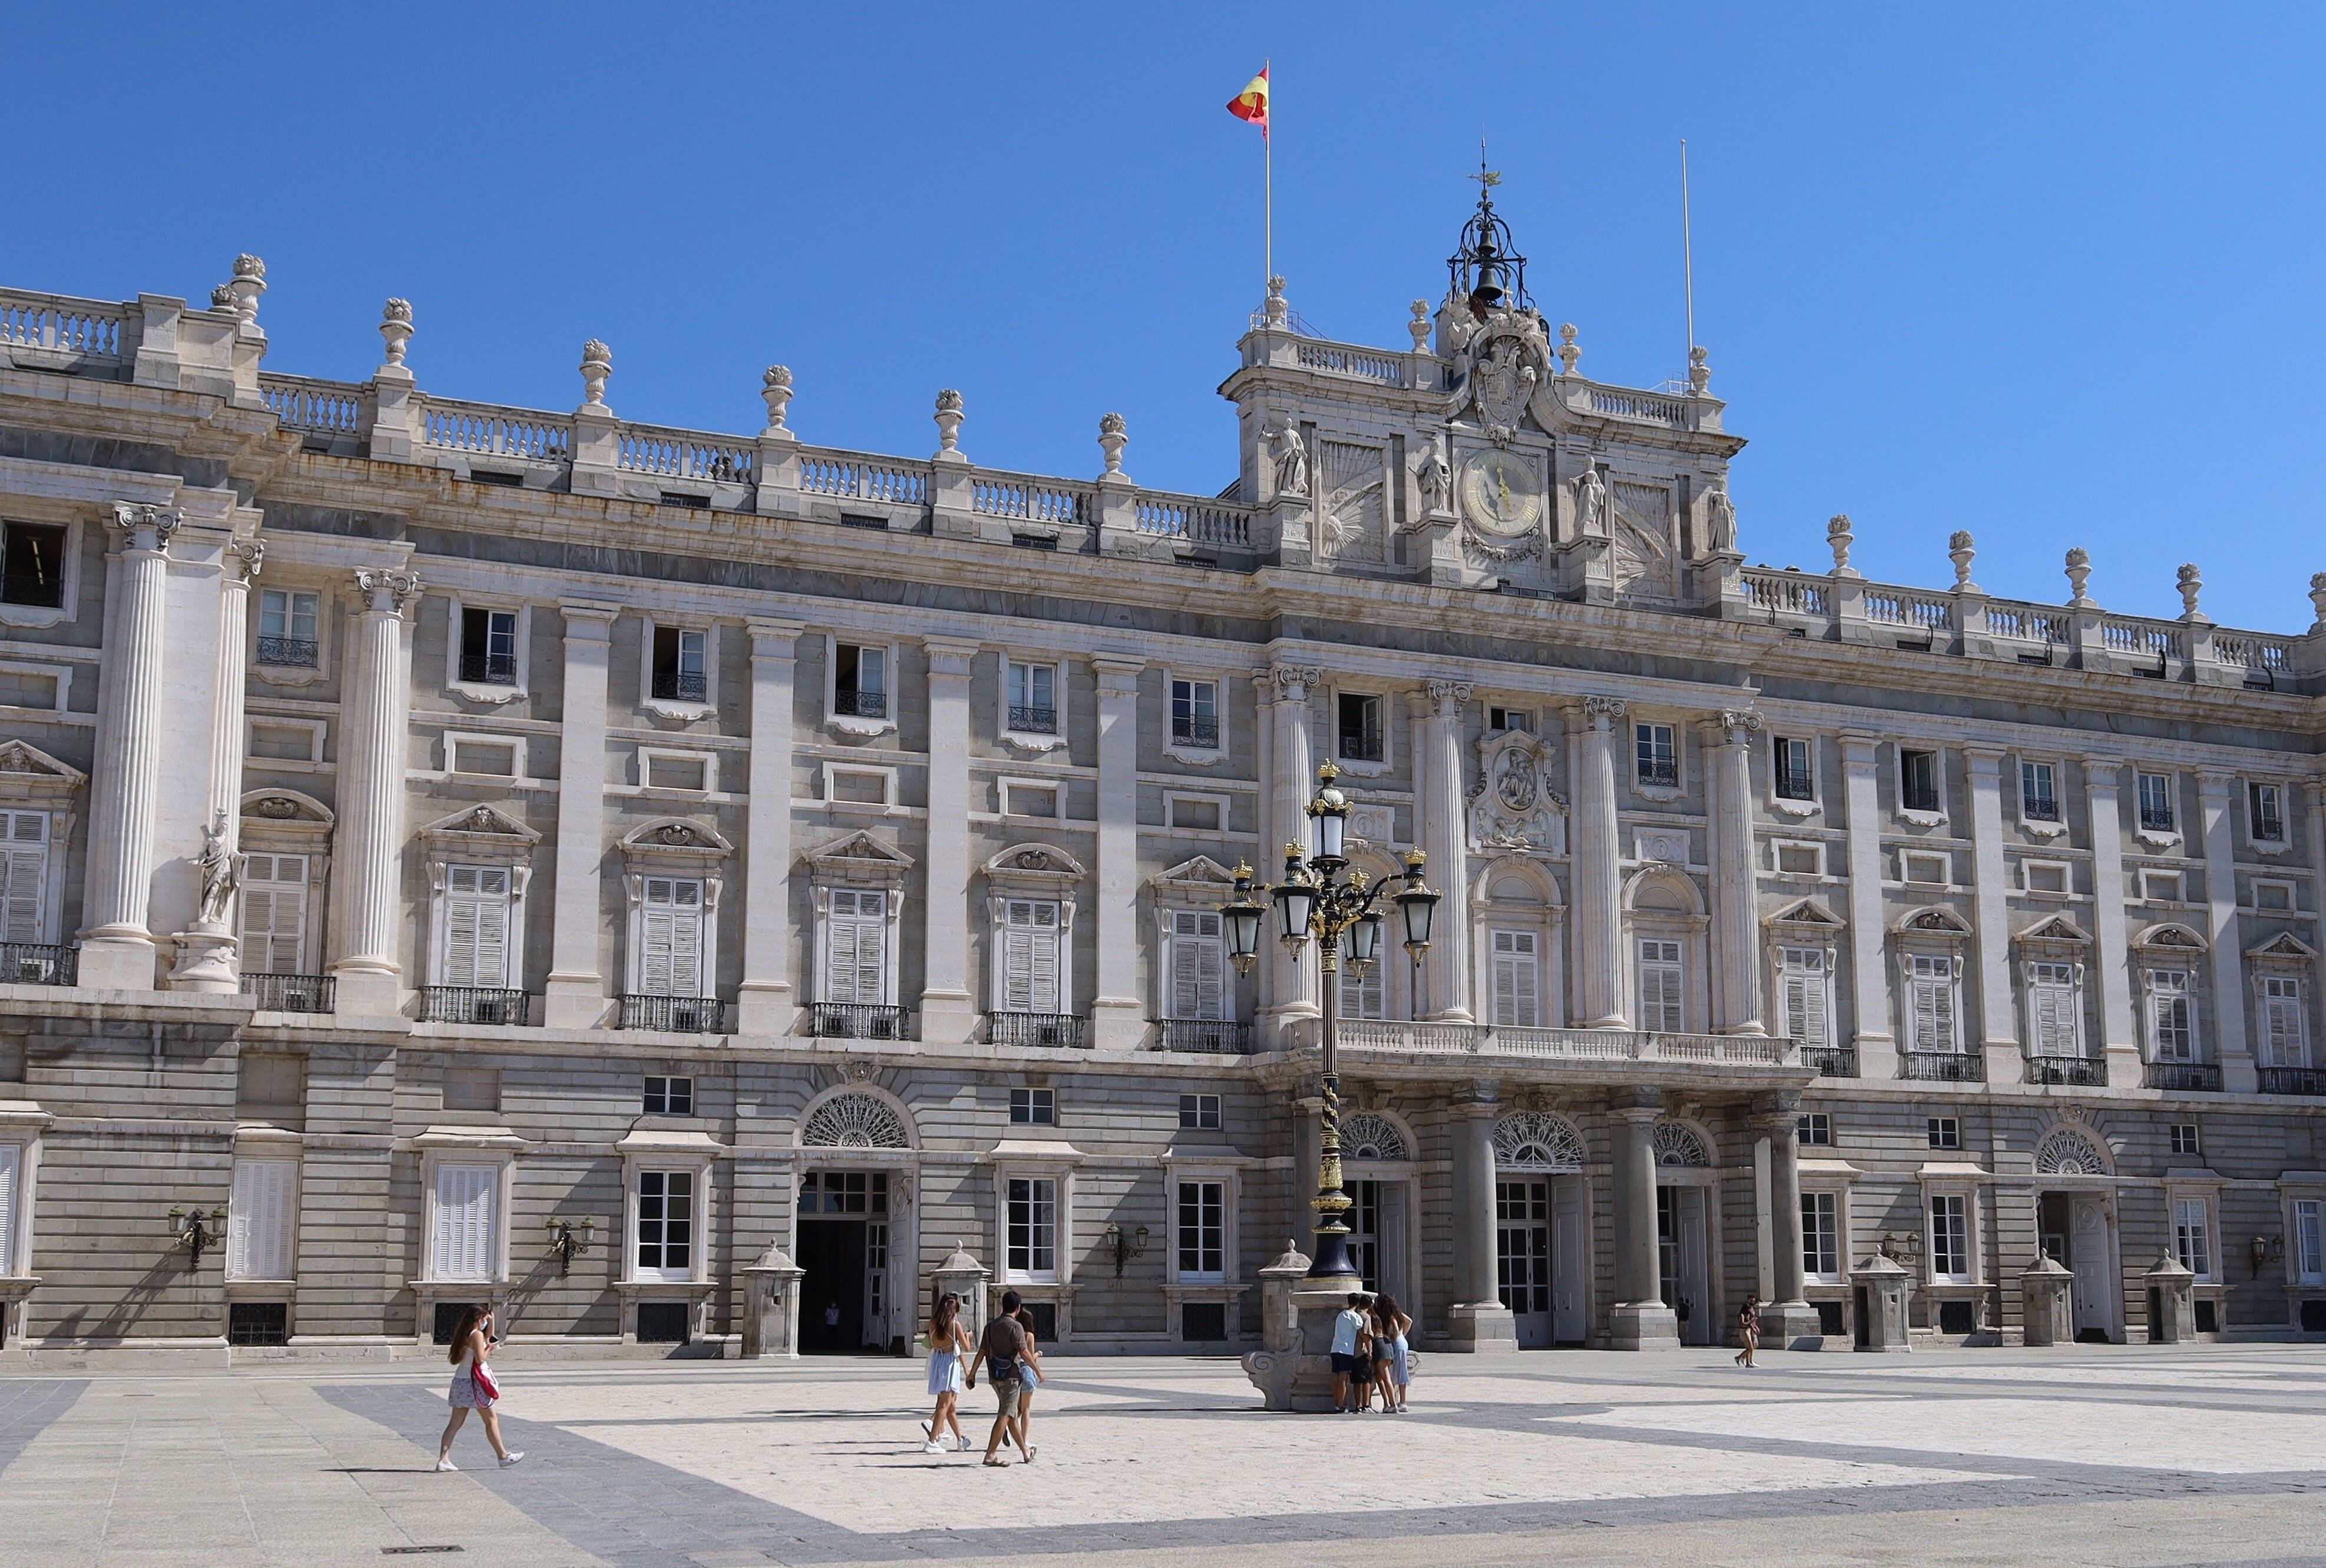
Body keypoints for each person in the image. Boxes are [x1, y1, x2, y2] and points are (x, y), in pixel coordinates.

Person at [436, 1305, 523, 1471]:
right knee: (491, 1420)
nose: (485, 1321)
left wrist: (492, 1320)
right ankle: (503, 1456)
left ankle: (443, 1459)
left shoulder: (465, 1334)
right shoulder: (476, 1335)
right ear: (478, 1319)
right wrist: (489, 1348)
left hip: (461, 1381)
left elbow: (488, 1336)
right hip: (474, 1383)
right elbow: (480, 1359)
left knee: (455, 1423)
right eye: (484, 1319)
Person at [964, 1289, 1029, 1467]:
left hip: (995, 1377)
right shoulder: (1016, 1327)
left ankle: (1026, 1451)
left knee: (1011, 1416)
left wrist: (972, 1374)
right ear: (1018, 1308)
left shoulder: (991, 1326)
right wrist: (1038, 1370)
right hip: (1012, 1378)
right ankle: (991, 1454)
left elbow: (982, 1351)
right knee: (1005, 1415)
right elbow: (1023, 1351)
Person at [919, 1293, 974, 1455]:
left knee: (950, 1405)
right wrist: (967, 1336)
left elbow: (934, 1343)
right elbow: (966, 1348)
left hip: (938, 1359)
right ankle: (932, 1441)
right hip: (950, 1363)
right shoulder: (954, 1324)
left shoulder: (933, 1323)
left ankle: (960, 1439)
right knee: (944, 1404)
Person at [1007, 1303, 1044, 1463]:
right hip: (1027, 1372)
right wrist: (1038, 1355)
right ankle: (1024, 1439)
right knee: (1026, 1409)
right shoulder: (1029, 1335)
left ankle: (1007, 1427)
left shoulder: (1014, 1332)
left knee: (1017, 1407)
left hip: (1014, 1372)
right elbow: (1028, 1356)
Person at [1372, 1292, 1414, 1413]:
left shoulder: (1390, 1315)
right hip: (1401, 1342)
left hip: (1397, 1343)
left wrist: (1395, 1336)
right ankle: (1400, 1400)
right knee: (1399, 1371)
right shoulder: (1396, 1312)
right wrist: (1403, 1335)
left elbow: (1395, 1328)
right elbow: (1409, 1321)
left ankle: (1403, 1402)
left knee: (1400, 1371)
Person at [1329, 1293, 1367, 1414]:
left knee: (1335, 1377)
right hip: (1346, 1350)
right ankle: (1341, 1405)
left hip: (1335, 1348)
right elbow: (1361, 1329)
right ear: (1357, 1304)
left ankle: (1337, 1403)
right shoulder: (1354, 1316)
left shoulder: (1340, 1315)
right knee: (1343, 1379)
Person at [1735, 1295, 1761, 1369]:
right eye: (1752, 1301)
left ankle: (1749, 1362)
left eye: (1754, 1301)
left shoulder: (1747, 1315)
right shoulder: (1742, 1315)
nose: (1753, 1303)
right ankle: (1739, 1357)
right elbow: (1743, 1324)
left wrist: (1754, 1326)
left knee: (1750, 1347)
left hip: (1748, 1331)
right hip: (1744, 1332)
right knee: (1750, 1348)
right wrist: (1751, 1322)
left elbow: (1751, 1323)